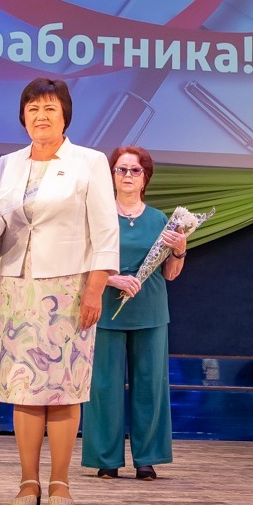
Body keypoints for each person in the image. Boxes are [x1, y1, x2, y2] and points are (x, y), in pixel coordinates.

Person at [0, 78, 118, 505]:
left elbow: (105, 232)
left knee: (63, 389)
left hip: (69, 288)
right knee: (24, 387)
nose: (41, 116)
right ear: (23, 116)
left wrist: (95, 290)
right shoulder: (8, 164)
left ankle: (60, 481)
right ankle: (27, 481)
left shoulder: (89, 162)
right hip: (17, 288)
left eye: (50, 109)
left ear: (65, 116)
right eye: (33, 108)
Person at [79, 145, 188, 482]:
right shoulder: (97, 215)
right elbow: (80, 263)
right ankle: (106, 459)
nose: (127, 175)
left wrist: (180, 251)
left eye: (134, 170)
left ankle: (147, 459)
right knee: (103, 388)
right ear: (111, 176)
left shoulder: (160, 220)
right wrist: (111, 279)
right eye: (121, 169)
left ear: (145, 178)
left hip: (150, 312)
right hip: (105, 311)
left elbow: (170, 274)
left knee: (150, 386)